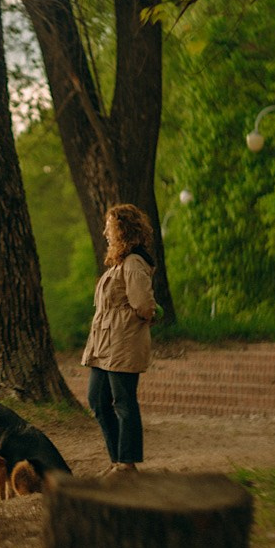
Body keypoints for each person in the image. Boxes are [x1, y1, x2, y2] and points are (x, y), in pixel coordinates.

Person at [81, 202, 158, 472]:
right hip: (105, 345)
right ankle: (116, 462)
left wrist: (139, 318)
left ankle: (127, 464)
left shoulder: (134, 262)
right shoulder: (120, 263)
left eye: (110, 227)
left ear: (124, 230)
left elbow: (144, 305)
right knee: (97, 400)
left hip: (123, 343)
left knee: (124, 402)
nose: (105, 232)